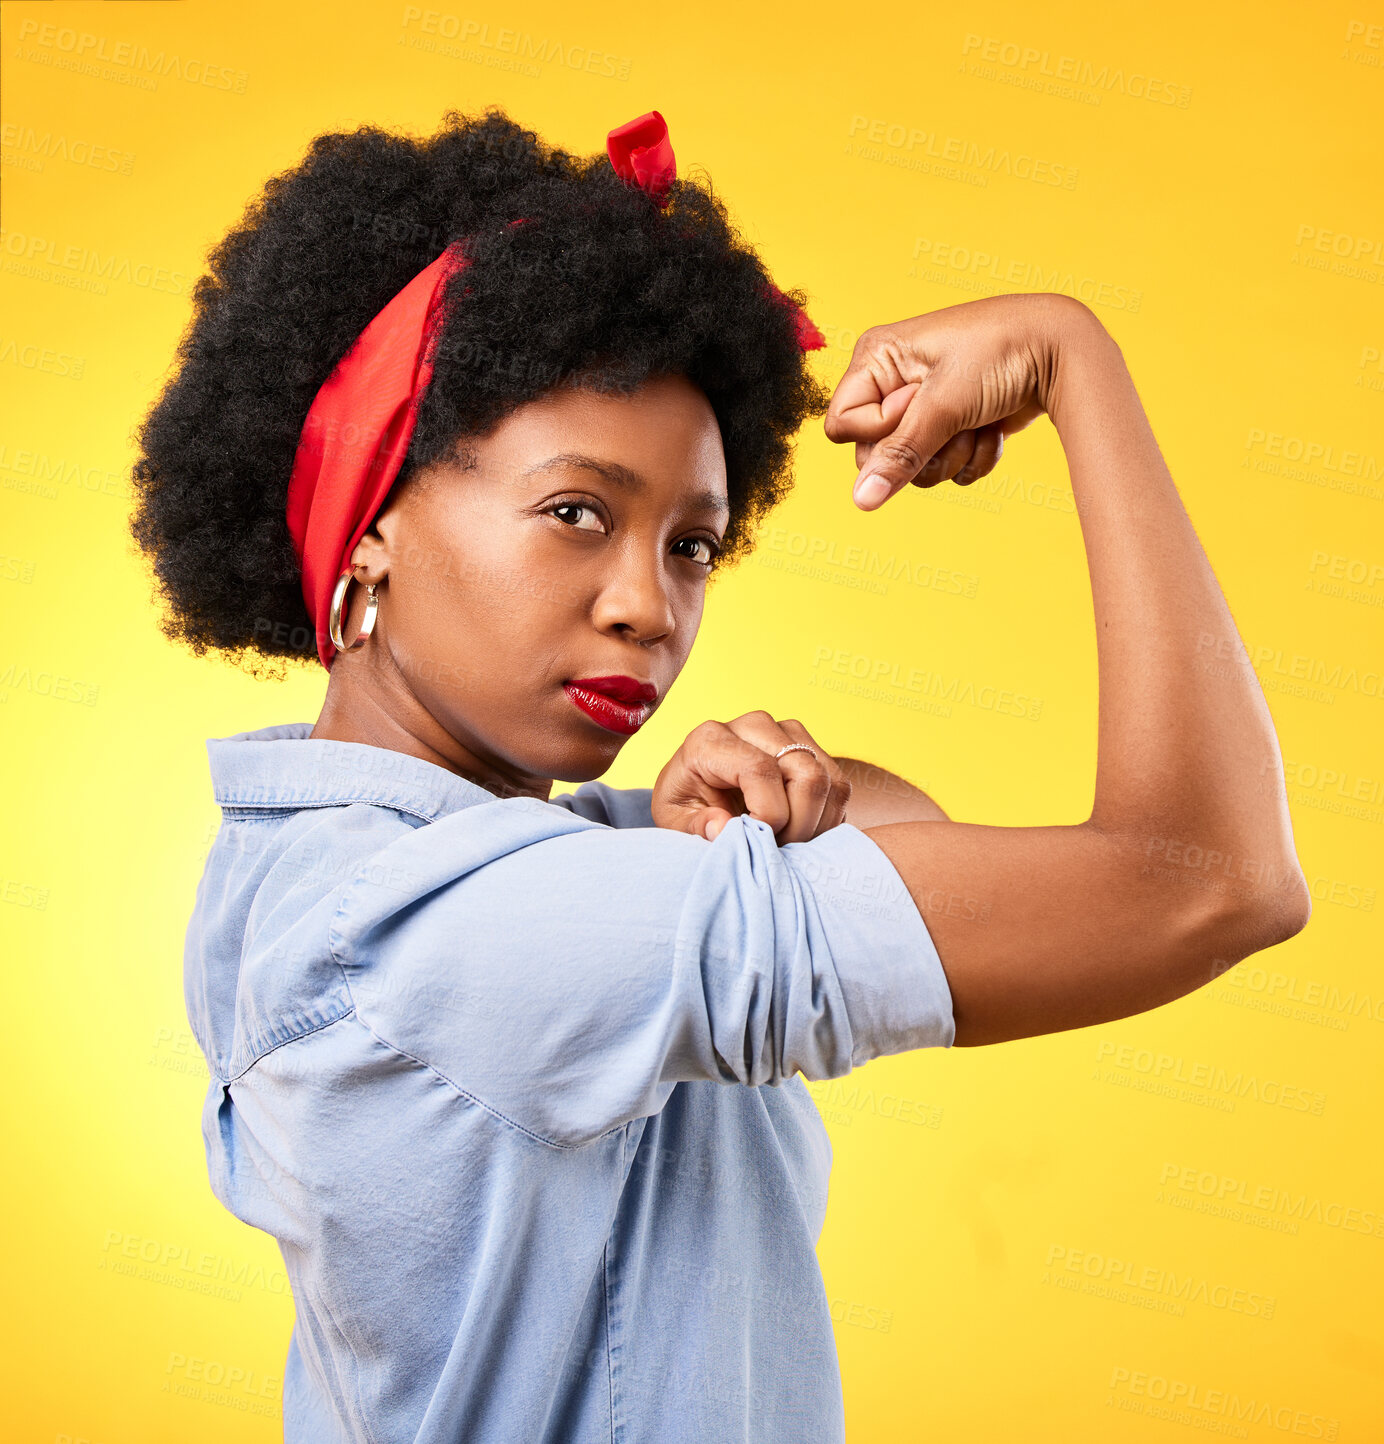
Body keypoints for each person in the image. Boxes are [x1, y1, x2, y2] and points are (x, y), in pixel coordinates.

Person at [129, 105, 1310, 1443]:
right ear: (370, 533)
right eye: (577, 514)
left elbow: (904, 836)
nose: (646, 606)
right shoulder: (455, 930)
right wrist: (1072, 361)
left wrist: (739, 804)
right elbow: (1210, 883)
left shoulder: (395, 869)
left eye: (691, 543)